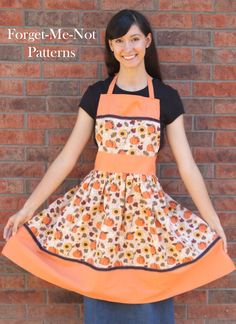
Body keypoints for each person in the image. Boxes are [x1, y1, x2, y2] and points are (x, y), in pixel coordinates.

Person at [2, 9, 235, 324]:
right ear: (110, 47)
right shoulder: (96, 94)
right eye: (120, 41)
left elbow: (187, 166)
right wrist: (29, 208)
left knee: (148, 288)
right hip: (101, 210)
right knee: (102, 288)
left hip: (146, 210)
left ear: (147, 41)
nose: (128, 48)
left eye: (135, 39)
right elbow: (67, 157)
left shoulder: (166, 98)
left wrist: (213, 221)